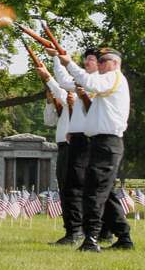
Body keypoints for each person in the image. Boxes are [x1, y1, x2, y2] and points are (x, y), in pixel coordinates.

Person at [48, 47, 132, 251]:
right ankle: (123, 237)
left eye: (103, 60)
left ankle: (92, 239)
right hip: (99, 143)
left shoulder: (112, 78)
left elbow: (87, 82)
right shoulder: (104, 83)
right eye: (99, 60)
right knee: (102, 192)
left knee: (94, 191)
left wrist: (67, 61)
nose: (100, 64)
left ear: (114, 63)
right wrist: (59, 61)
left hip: (107, 144)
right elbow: (71, 85)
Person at [37, 48, 99, 245]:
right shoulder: (76, 89)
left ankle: (81, 231)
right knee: (67, 188)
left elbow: (61, 86)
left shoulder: (91, 86)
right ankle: (75, 230)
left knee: (77, 188)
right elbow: (51, 115)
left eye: (91, 59)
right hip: (66, 144)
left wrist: (50, 72)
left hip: (79, 143)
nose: (87, 63)